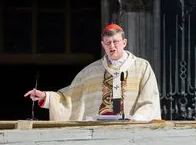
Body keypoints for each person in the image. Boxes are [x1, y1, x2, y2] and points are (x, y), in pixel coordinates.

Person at [25, 23, 161, 122]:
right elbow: (71, 96)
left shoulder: (142, 67)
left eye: (115, 42)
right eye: (108, 43)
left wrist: (137, 120)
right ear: (102, 45)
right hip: (98, 133)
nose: (112, 46)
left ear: (124, 42)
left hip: (131, 132)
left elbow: (149, 100)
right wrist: (45, 96)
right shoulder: (91, 71)